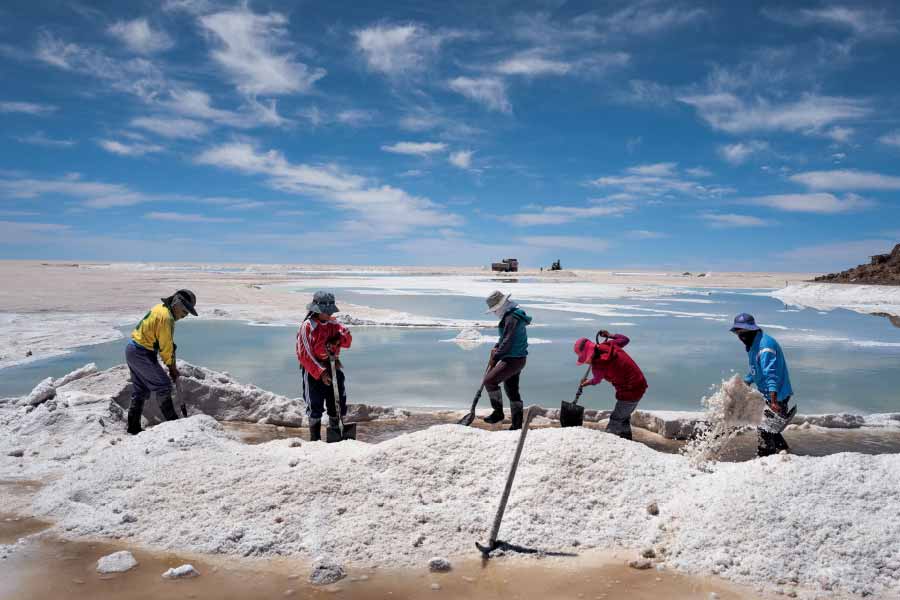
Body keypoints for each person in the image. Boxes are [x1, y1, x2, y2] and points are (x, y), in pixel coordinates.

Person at [125, 289, 198, 435]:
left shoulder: (161, 308)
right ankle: (174, 424)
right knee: (163, 385)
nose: (184, 315)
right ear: (176, 303)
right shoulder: (167, 318)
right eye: (184, 311)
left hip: (133, 349)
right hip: (141, 353)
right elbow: (165, 347)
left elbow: (162, 339)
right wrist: (172, 367)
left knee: (141, 390)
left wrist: (169, 347)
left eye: (187, 313)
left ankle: (133, 428)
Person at [730, 313, 795, 457]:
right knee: (771, 428)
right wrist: (745, 382)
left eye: (743, 333)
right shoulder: (753, 344)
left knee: (764, 430)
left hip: (777, 395)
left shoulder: (765, 347)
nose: (741, 337)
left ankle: (764, 459)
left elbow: (770, 374)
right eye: (738, 333)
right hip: (768, 394)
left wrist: (773, 401)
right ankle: (786, 452)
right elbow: (756, 370)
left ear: (752, 330)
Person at [296, 291, 352, 442]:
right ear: (316, 310)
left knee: (337, 401)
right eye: (325, 312)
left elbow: (348, 341)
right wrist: (321, 373)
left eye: (330, 311)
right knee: (315, 405)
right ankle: (315, 439)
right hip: (313, 370)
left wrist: (338, 340)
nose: (328, 314)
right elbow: (304, 355)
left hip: (334, 366)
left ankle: (336, 436)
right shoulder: (308, 326)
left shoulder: (335, 324)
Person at [573, 330, 648, 440]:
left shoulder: (598, 366)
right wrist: (610, 335)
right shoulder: (609, 345)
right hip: (639, 383)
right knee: (623, 417)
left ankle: (608, 442)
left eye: (585, 359)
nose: (585, 362)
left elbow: (597, 380)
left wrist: (587, 383)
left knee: (616, 420)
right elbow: (625, 339)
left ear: (589, 355)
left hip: (630, 391)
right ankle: (626, 439)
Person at [482, 291, 532, 430]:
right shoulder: (512, 315)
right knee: (511, 390)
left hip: (512, 359)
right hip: (517, 358)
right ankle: (516, 424)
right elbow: (504, 338)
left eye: (495, 310)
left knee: (489, 381)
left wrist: (497, 355)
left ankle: (498, 413)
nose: (494, 313)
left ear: (501, 306)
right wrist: (497, 347)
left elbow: (508, 340)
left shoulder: (511, 318)